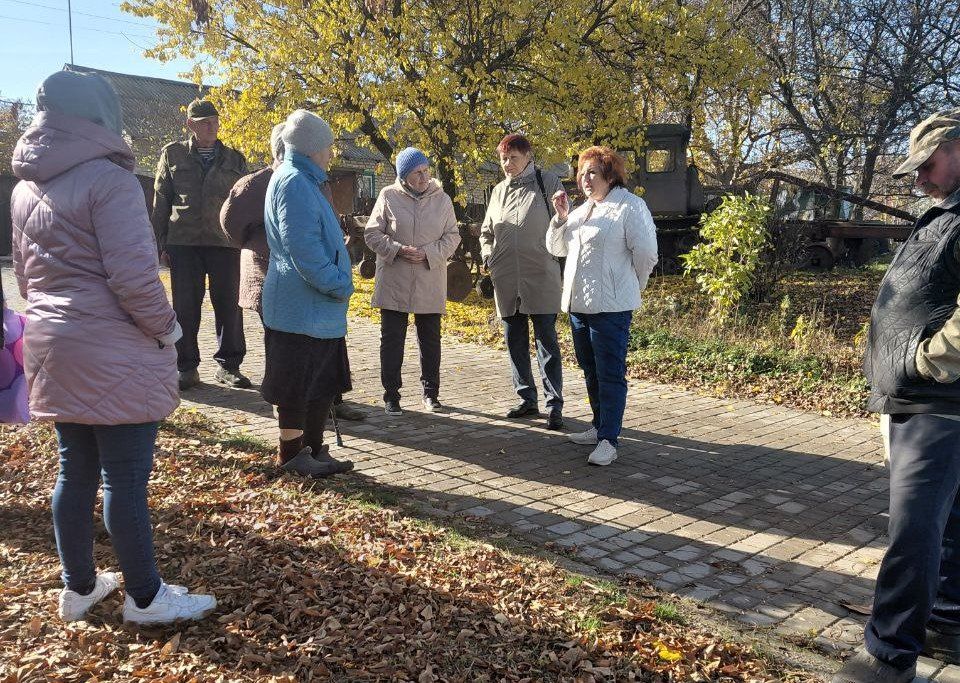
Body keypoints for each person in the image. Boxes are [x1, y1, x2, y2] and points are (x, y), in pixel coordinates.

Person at [10, 70, 215, 625]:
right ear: (102, 117)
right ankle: (145, 597)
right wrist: (168, 330)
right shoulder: (111, 181)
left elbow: (26, 279)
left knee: (73, 470)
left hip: (52, 340)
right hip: (112, 346)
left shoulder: (25, 187)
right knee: (123, 479)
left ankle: (78, 588)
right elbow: (134, 279)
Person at [834, 109, 960, 682]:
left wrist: (926, 360)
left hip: (938, 401)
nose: (919, 178)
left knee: (912, 529)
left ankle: (887, 655)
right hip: (925, 400)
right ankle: (945, 623)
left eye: (928, 164)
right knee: (947, 523)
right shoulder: (947, 212)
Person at [219, 124, 366, 422]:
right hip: (270, 274)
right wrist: (262, 243)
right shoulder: (263, 183)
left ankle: (328, 402)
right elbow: (230, 223)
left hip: (314, 282)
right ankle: (289, 411)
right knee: (286, 349)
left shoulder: (314, 179)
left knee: (322, 345)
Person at [546, 146, 657, 466]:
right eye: (582, 173)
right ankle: (598, 426)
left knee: (610, 373)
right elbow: (556, 248)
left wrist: (633, 284)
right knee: (590, 370)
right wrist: (561, 217)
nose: (585, 179)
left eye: (592, 172)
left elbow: (647, 253)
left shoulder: (629, 206)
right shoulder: (582, 211)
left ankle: (609, 439)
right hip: (579, 306)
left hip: (611, 307)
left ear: (610, 174)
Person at [261, 109, 355, 477]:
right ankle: (293, 456)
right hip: (301, 308)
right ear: (311, 147)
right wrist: (338, 283)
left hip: (317, 310)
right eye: (327, 146)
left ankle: (313, 450)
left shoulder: (305, 180)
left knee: (320, 384)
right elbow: (303, 249)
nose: (331, 153)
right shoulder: (293, 182)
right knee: (296, 386)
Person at [152, 98, 250, 391]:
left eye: (215, 122)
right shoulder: (173, 154)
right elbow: (161, 199)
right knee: (185, 307)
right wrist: (159, 243)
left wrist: (246, 240)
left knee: (230, 306)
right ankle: (186, 367)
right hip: (184, 242)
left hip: (225, 243)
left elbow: (244, 202)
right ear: (190, 125)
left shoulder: (234, 159)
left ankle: (229, 366)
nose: (212, 127)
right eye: (205, 122)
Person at [364, 147, 460, 415]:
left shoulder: (442, 200)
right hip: (394, 280)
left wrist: (429, 253)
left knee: (430, 339)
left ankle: (431, 393)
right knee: (392, 340)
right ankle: (391, 395)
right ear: (403, 176)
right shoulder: (388, 196)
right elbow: (372, 234)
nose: (423, 177)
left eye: (426, 170)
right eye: (417, 173)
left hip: (429, 278)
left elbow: (453, 236)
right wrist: (397, 249)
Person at [481, 134, 565, 430]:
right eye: (503, 158)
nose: (507, 164)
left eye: (513, 158)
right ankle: (527, 398)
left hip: (541, 274)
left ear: (528, 156)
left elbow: (563, 223)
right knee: (514, 341)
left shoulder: (548, 182)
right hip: (506, 278)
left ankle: (554, 404)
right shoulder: (498, 191)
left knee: (546, 343)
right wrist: (488, 256)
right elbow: (486, 232)